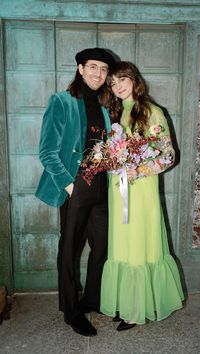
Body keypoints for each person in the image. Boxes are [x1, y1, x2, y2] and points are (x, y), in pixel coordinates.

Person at [35, 48, 115, 336]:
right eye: (92, 67)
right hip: (75, 185)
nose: (98, 74)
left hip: (102, 185)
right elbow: (46, 151)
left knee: (103, 246)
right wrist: (70, 185)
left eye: (104, 69)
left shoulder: (107, 104)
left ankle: (91, 299)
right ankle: (71, 310)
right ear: (80, 69)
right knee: (69, 250)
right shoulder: (61, 101)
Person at [100, 61, 185, 331]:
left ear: (133, 79)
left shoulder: (151, 111)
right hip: (119, 191)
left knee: (138, 245)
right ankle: (126, 303)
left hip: (141, 190)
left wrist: (139, 170)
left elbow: (168, 155)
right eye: (112, 83)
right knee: (122, 245)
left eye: (121, 79)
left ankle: (136, 311)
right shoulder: (115, 113)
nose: (117, 86)